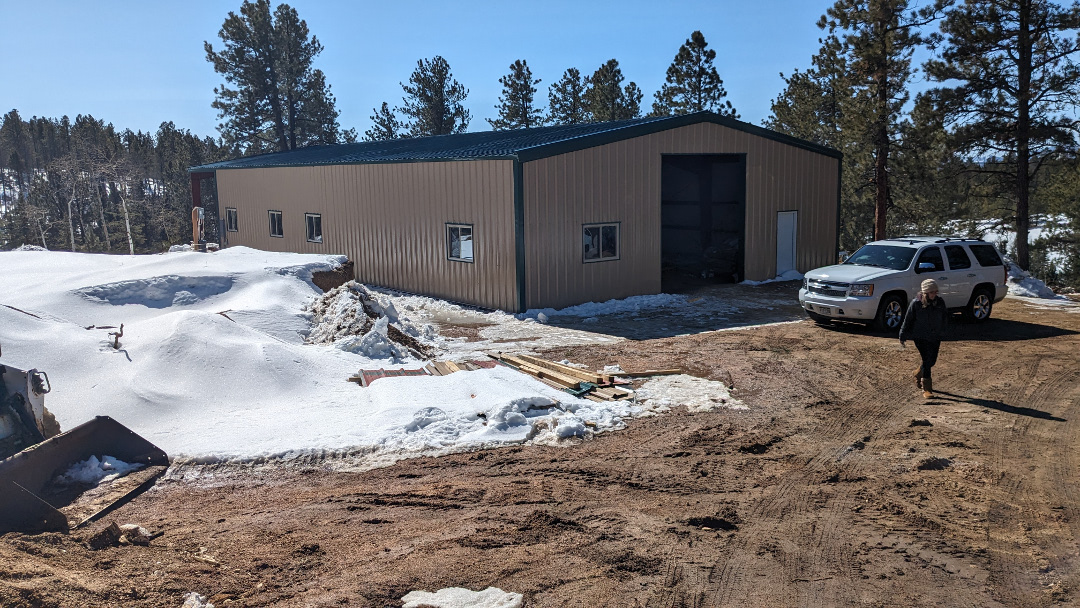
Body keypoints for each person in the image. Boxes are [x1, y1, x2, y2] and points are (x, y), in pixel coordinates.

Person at [899, 279, 948, 399]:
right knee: (926, 360)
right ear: (926, 292)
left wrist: (943, 330)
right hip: (920, 336)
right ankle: (927, 388)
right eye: (932, 292)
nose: (934, 294)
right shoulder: (916, 303)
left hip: (935, 336)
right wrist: (903, 334)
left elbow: (945, 318)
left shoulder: (940, 302)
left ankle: (918, 372)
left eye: (936, 292)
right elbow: (908, 319)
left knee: (932, 361)